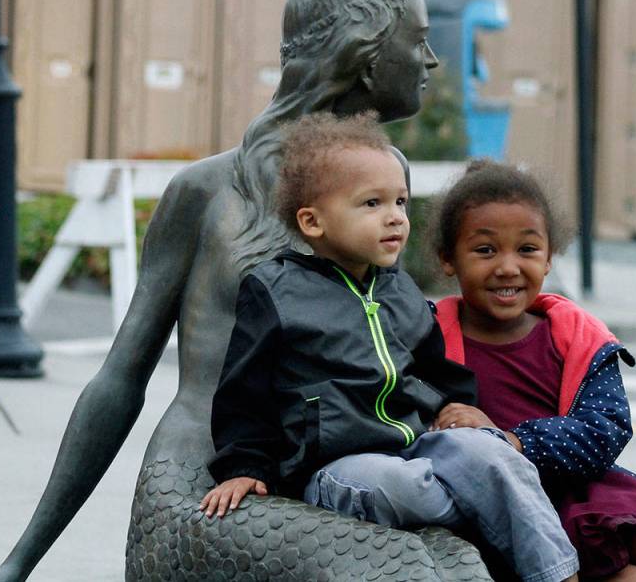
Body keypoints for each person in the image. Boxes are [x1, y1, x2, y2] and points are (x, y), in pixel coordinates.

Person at [0, 0, 499, 581]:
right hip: (208, 488)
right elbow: (119, 380)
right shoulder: (206, 190)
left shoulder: (383, 178)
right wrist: (20, 561)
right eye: (416, 40)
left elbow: (401, 348)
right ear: (364, 55)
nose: (431, 61)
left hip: (335, 481)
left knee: (462, 566)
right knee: (400, 571)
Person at [201, 114, 580, 582]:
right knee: (407, 487)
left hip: (418, 445)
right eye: (372, 203)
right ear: (313, 221)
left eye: (400, 200)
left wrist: (457, 405)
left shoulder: (399, 290)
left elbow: (437, 368)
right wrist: (243, 466)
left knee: (498, 457)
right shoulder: (276, 291)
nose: (396, 216)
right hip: (338, 465)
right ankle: (479, 505)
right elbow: (244, 392)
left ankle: (559, 575)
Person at [430, 161, 636, 582]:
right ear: (448, 258)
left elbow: (606, 427)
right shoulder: (429, 338)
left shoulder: (575, 336)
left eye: (527, 249)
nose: (508, 267)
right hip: (511, 511)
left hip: (589, 494)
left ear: (550, 256)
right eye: (485, 250)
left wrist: (514, 440)